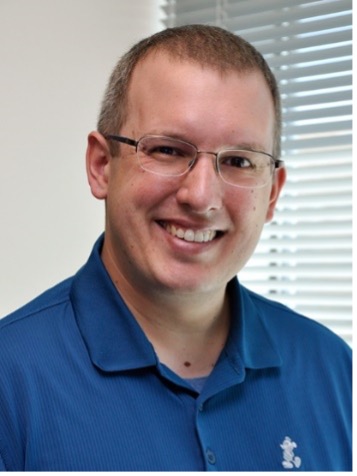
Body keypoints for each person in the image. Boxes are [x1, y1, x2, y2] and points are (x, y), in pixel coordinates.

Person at [0, 25, 351, 472]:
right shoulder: (9, 379)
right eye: (167, 150)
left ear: (273, 194)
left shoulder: (335, 371)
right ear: (101, 165)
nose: (201, 197)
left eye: (240, 161)